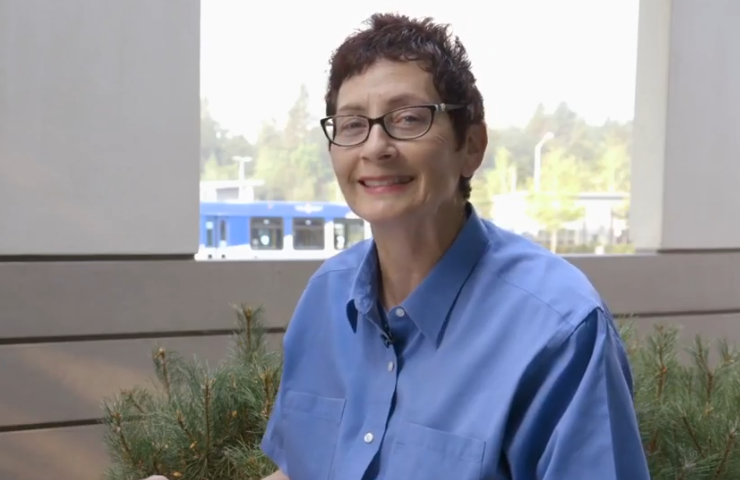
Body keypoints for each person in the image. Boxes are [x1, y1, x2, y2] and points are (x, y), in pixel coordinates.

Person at [144, 12, 650, 480]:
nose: (375, 146)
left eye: (408, 118)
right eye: (352, 124)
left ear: (471, 146)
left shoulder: (559, 329)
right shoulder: (326, 298)